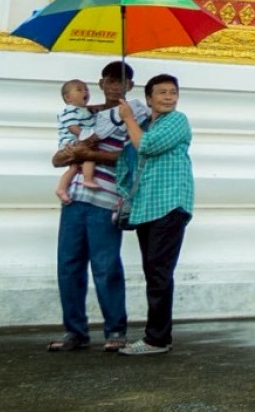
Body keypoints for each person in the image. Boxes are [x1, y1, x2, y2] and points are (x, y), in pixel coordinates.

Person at [47, 61, 140, 354]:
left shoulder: (134, 113)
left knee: (106, 266)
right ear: (101, 84)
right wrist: (76, 152)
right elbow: (58, 158)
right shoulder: (84, 113)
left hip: (107, 198)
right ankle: (75, 331)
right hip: (74, 197)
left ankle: (116, 331)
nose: (115, 86)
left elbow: (132, 156)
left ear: (130, 86)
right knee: (68, 265)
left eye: (121, 81)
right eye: (110, 81)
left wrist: (88, 152)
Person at [119, 73, 194, 358]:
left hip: (170, 205)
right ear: (148, 98)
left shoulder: (177, 120)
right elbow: (129, 158)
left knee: (159, 273)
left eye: (172, 92)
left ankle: (157, 338)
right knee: (153, 272)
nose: (168, 97)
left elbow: (147, 146)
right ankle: (158, 335)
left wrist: (128, 119)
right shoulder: (146, 125)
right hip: (147, 206)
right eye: (161, 92)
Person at [55, 80, 102, 202]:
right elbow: (72, 127)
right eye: (79, 90)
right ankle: (88, 179)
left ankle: (61, 188)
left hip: (76, 141)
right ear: (68, 98)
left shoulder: (83, 110)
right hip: (70, 142)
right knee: (89, 155)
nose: (85, 92)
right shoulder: (70, 110)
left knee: (74, 167)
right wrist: (86, 137)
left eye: (86, 89)